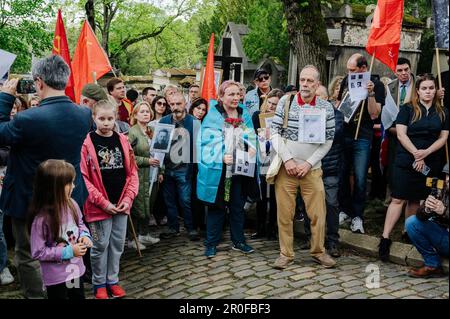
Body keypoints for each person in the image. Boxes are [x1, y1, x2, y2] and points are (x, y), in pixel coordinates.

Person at [0, 55, 92, 298]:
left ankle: (37, 296)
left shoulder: (27, 119)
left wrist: (5, 98)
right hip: (69, 198)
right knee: (68, 245)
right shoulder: (83, 114)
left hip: (31, 201)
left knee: (29, 254)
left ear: (39, 82)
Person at [271, 65, 336, 269]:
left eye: (310, 81)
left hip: (312, 169)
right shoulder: (286, 101)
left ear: (318, 84)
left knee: (318, 214)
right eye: (302, 80)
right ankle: (285, 254)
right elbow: (274, 133)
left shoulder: (325, 107)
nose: (305, 84)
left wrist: (308, 163)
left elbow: (328, 140)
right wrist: (288, 159)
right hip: (286, 168)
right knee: (285, 214)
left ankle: (318, 252)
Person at [379, 74, 449, 261]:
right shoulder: (407, 109)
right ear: (417, 90)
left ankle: (409, 233)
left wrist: (425, 154)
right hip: (406, 159)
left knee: (416, 200)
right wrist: (416, 153)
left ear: (436, 90)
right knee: (398, 198)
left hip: (430, 161)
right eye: (424, 88)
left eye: (431, 88)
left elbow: (443, 138)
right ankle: (385, 238)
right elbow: (401, 134)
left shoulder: (442, 111)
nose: (428, 91)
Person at [80, 100, 139, 299]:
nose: (106, 123)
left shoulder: (123, 140)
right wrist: (102, 202)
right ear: (94, 118)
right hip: (99, 206)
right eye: (101, 119)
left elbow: (132, 173)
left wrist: (128, 198)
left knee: (117, 245)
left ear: (116, 118)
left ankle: (112, 280)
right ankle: (99, 284)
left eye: (110, 119)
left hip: (121, 203)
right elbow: (84, 178)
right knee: (99, 246)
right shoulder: (86, 144)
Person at [198, 80, 259, 258]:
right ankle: (211, 243)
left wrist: (252, 147)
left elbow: (250, 135)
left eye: (237, 94)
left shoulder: (244, 113)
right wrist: (221, 156)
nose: (235, 97)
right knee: (217, 207)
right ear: (221, 96)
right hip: (220, 171)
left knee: (237, 206)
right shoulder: (213, 116)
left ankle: (238, 241)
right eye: (230, 94)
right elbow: (206, 143)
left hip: (240, 168)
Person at [29, 160, 92, 299]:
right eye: (69, 183)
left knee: (77, 296)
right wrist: (69, 251)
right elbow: (38, 252)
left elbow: (80, 224)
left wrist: (85, 236)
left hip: (74, 271)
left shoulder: (72, 204)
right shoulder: (41, 219)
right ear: (54, 187)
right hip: (56, 278)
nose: (74, 186)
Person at [337, 53, 385, 234]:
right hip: (345, 134)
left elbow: (374, 114)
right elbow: (339, 106)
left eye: (353, 70)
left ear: (363, 68)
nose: (349, 73)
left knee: (360, 178)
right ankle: (344, 210)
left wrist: (370, 93)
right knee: (342, 174)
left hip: (363, 137)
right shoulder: (346, 81)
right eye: (348, 70)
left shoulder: (378, 85)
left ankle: (357, 216)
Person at [303, 84, 345, 258]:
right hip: (309, 167)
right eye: (314, 96)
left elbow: (332, 134)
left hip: (329, 168)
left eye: (320, 96)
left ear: (326, 98)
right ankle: (310, 237)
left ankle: (333, 240)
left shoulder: (337, 115)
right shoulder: (304, 113)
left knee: (331, 203)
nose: (316, 99)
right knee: (308, 204)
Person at [159, 92, 200, 241]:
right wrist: (160, 169)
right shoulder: (164, 121)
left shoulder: (194, 122)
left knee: (185, 200)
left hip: (185, 169)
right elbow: (158, 147)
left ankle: (190, 228)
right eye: (172, 104)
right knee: (169, 200)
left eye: (178, 104)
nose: (175, 107)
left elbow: (198, 147)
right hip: (167, 168)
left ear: (185, 104)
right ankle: (173, 227)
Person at [251, 89, 284, 240]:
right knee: (262, 195)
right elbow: (250, 135)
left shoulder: (283, 118)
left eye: (275, 104)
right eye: (269, 103)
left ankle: (272, 228)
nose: (271, 106)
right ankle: (260, 228)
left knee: (276, 196)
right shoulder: (257, 116)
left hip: (277, 158)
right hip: (262, 158)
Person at [405, 163, 448, 278]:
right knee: (412, 223)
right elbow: (420, 217)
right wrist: (427, 209)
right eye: (447, 175)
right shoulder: (441, 189)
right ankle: (432, 265)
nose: (448, 179)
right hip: (444, 238)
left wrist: (445, 211)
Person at [128, 102, 161, 248]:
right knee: (137, 207)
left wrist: (161, 171)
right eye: (142, 111)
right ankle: (132, 239)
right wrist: (146, 161)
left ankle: (144, 234)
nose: (146, 113)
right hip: (139, 174)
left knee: (149, 205)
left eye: (147, 111)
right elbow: (128, 156)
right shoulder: (132, 132)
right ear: (135, 115)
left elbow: (161, 152)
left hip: (153, 175)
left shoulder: (153, 130)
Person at [384, 58, 416, 207]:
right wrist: (396, 131)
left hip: (414, 135)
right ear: (395, 72)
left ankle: (410, 199)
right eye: (400, 71)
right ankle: (393, 195)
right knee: (392, 166)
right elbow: (385, 115)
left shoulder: (419, 85)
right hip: (394, 134)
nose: (403, 73)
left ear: (410, 69)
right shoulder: (390, 87)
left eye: (406, 70)